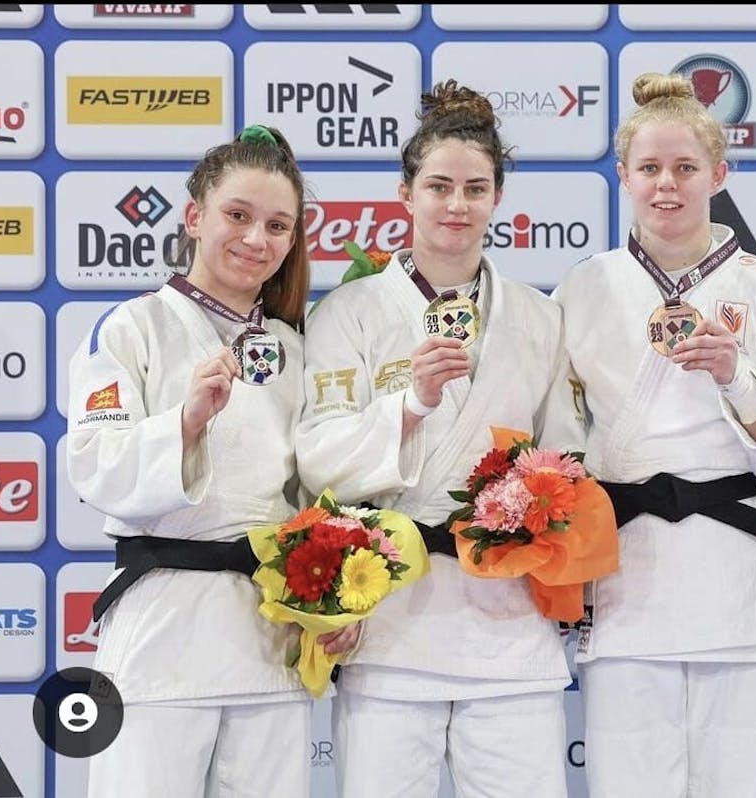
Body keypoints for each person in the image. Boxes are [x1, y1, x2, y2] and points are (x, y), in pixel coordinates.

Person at [295, 80, 574, 798]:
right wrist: (410, 405)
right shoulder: (349, 312)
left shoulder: (539, 318)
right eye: (439, 186)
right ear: (406, 193)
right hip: (391, 622)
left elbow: (568, 461)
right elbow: (318, 459)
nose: (457, 205)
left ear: (498, 198)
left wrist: (535, 511)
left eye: (475, 189)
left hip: (509, 623)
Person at [552, 72, 756, 798]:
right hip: (626, 578)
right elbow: (556, 443)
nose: (666, 185)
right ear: (623, 176)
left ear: (718, 175)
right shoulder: (582, 289)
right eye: (649, 168)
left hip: (739, 579)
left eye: (684, 168)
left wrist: (737, 377)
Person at [66, 125, 339, 797]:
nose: (256, 239)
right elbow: (95, 467)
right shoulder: (132, 329)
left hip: (269, 634)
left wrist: (333, 602)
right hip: (163, 630)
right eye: (237, 215)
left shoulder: (296, 348)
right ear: (194, 217)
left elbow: (320, 488)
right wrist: (184, 424)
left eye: (277, 226)